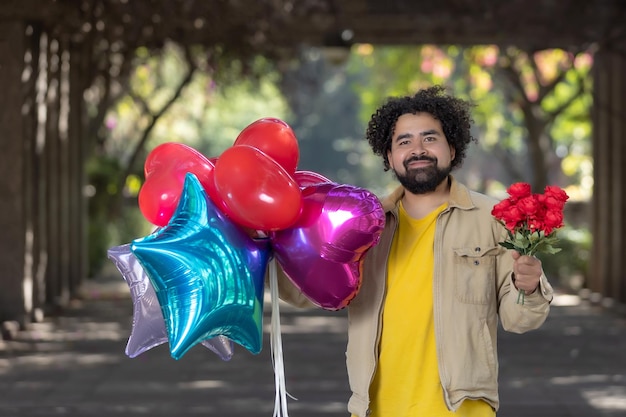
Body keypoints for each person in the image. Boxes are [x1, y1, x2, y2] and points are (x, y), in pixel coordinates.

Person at [276, 85, 554, 417]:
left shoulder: (492, 220)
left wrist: (530, 287)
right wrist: (265, 252)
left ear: (452, 149)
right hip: (376, 409)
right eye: (404, 141)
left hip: (463, 410)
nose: (417, 149)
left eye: (430, 138)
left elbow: (520, 318)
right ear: (390, 156)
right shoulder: (360, 224)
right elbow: (305, 291)